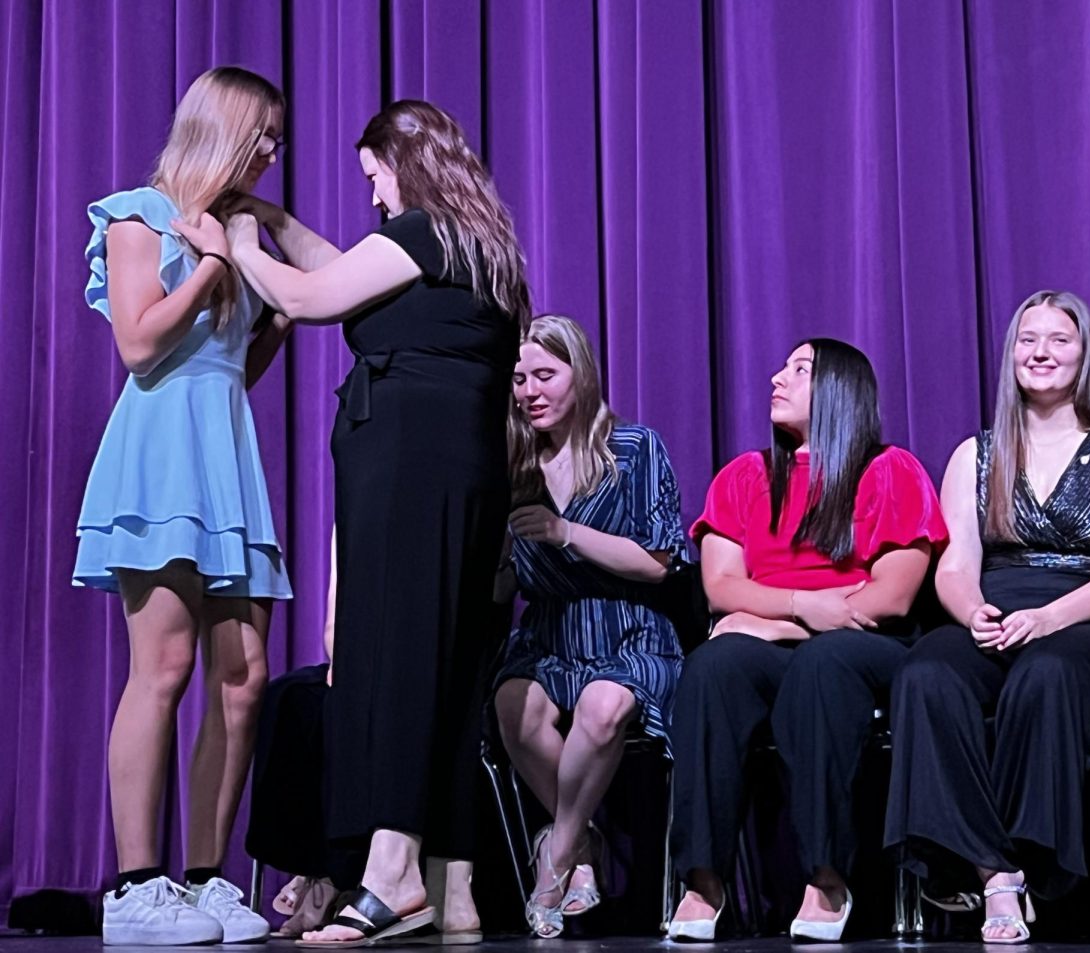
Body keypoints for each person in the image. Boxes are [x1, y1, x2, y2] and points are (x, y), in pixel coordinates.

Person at [227, 100, 530, 946]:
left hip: (412, 470)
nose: (372, 197)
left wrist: (244, 244)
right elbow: (350, 266)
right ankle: (453, 882)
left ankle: (392, 875)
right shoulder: (469, 247)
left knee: (398, 662)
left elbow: (309, 294)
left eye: (374, 177)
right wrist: (280, 218)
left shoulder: (426, 232)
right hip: (452, 473)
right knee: (443, 672)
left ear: (406, 164)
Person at [73, 66, 291, 946]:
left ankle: (206, 879)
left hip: (226, 459)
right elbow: (138, 343)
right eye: (263, 135)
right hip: (160, 459)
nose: (273, 153)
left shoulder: (242, 229)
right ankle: (135, 887)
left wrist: (270, 314)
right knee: (161, 669)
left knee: (243, 680)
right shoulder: (139, 215)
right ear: (224, 128)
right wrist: (209, 263)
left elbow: (232, 371)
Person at [884, 290, 1090, 944]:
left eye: (1058, 339)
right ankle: (993, 872)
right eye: (1027, 339)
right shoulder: (975, 454)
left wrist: (1050, 617)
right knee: (926, 671)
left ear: (1085, 353)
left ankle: (1035, 860)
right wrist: (972, 612)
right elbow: (954, 567)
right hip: (999, 612)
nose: (1041, 352)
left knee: (1048, 670)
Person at [666, 339, 948, 942]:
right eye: (782, 367)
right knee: (714, 667)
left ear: (841, 390)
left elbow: (891, 597)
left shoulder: (890, 470)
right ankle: (703, 878)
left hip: (866, 643)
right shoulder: (743, 477)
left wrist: (780, 622)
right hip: (781, 639)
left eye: (800, 370)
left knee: (822, 665)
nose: (777, 378)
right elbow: (720, 587)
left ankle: (826, 875)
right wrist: (795, 609)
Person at [492, 315, 686, 938]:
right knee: (513, 706)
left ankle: (557, 860)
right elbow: (503, 584)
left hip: (630, 629)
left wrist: (566, 531)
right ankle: (586, 844)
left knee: (603, 709)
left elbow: (657, 564)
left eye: (546, 375)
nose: (530, 391)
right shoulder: (514, 465)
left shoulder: (635, 449)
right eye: (520, 379)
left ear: (583, 376)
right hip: (550, 634)